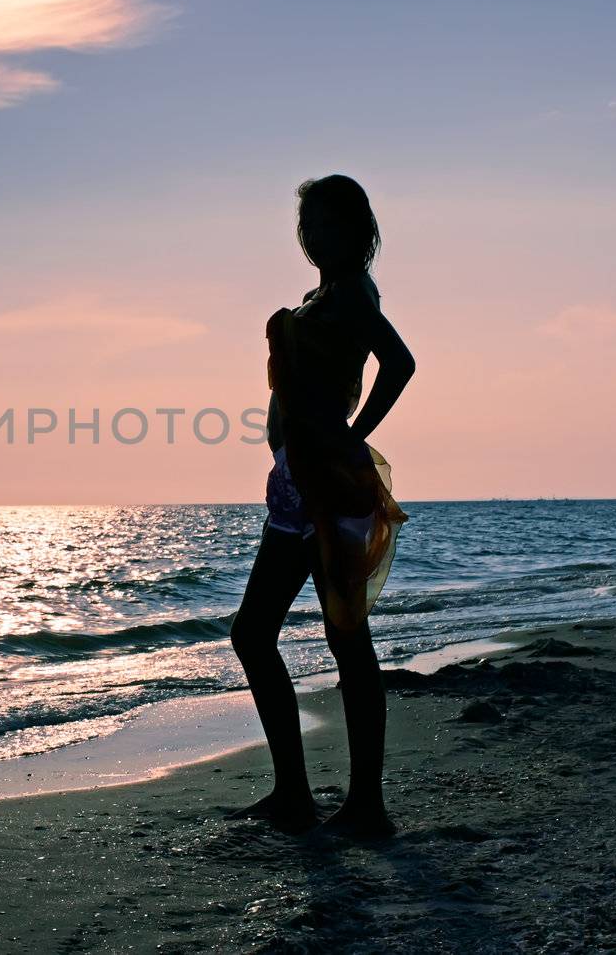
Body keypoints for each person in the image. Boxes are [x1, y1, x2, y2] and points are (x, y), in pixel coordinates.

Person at [228, 174, 415, 838]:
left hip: (328, 482)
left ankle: (365, 805)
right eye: (306, 223)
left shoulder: (354, 294)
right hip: (298, 482)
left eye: (328, 222)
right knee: (257, 633)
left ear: (359, 228)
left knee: (341, 638)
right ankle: (295, 795)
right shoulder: (325, 294)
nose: (314, 234)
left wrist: (353, 436)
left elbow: (400, 362)